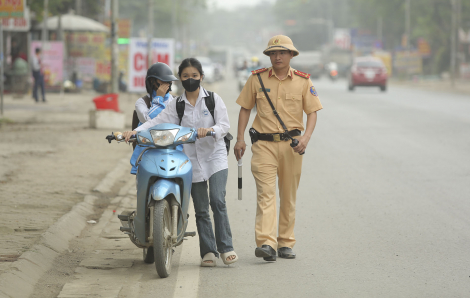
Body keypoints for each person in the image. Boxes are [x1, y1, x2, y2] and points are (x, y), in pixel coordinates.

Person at [123, 58, 238, 267]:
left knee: (217, 201)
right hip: (190, 160)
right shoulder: (175, 105)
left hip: (215, 157)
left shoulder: (213, 100)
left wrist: (210, 130)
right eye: (185, 76)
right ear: (180, 80)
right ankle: (208, 252)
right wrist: (134, 132)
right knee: (201, 208)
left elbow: (225, 125)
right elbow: (155, 122)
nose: (190, 79)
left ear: (201, 77)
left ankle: (226, 247)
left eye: (194, 76)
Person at [234, 35, 323, 261]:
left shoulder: (303, 81)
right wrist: (240, 138)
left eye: (282, 52)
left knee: (288, 195)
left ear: (291, 55)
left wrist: (306, 138)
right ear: (268, 56)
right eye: (273, 53)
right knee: (266, 194)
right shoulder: (257, 79)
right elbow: (245, 108)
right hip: (263, 145)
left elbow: (312, 112)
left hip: (292, 147)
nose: (277, 56)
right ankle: (266, 243)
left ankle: (285, 242)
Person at [130, 62, 179, 175]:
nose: (167, 84)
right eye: (163, 81)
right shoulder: (142, 102)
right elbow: (151, 120)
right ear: (152, 81)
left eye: (169, 81)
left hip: (171, 148)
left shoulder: (176, 101)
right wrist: (158, 99)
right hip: (148, 150)